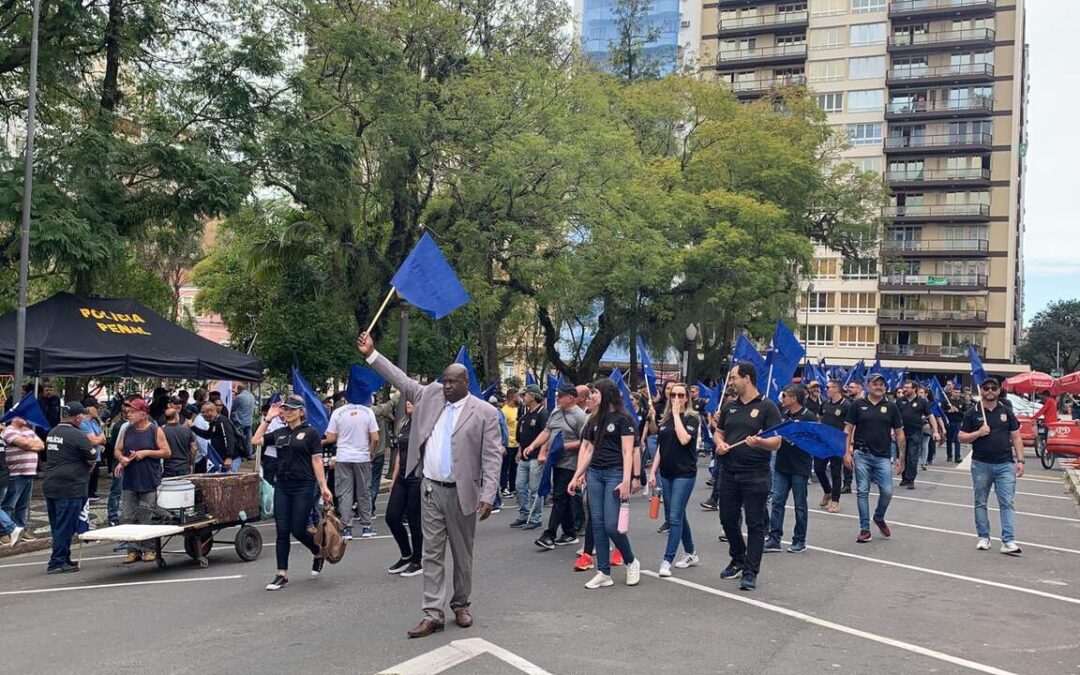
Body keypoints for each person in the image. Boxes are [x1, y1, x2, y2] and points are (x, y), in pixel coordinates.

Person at [359, 332, 503, 639]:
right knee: (431, 554)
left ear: (465, 383)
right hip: (431, 489)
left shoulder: (485, 413)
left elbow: (492, 457)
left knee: (462, 555)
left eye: (452, 382)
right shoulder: (429, 395)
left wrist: (489, 495)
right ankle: (432, 613)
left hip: (463, 492)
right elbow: (399, 378)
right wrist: (372, 353)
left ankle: (461, 604)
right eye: (444, 381)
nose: (446, 386)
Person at [714, 362, 783, 591]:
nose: (731, 382)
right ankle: (738, 557)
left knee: (755, 524)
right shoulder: (730, 406)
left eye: (734, 377)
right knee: (727, 518)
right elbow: (719, 432)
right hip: (729, 471)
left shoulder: (767, 407)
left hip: (755, 474)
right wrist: (720, 443)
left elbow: (777, 442)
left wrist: (761, 442)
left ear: (747, 378)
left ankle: (751, 571)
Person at [253, 396, 333, 591]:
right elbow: (255, 440)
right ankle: (282, 574)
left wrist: (323, 487)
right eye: (285, 409)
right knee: (282, 530)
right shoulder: (279, 433)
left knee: (298, 529)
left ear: (301, 412)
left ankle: (317, 551)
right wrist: (268, 419)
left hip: (304, 485)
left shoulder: (311, 433)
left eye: (292, 409)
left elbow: (316, 461)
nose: (287, 412)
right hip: (283, 485)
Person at [568, 378, 641, 590]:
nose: (592, 396)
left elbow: (628, 451)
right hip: (595, 474)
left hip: (615, 474)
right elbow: (589, 449)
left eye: (596, 393)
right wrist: (577, 475)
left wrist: (627, 480)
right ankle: (603, 572)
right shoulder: (593, 420)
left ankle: (631, 561)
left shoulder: (623, 419)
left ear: (607, 394)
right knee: (597, 524)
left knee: (611, 524)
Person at [959, 377, 1025, 555]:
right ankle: (983, 537)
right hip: (981, 464)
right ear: (981, 390)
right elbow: (961, 437)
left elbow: (1016, 436)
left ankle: (1008, 540)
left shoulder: (1006, 411)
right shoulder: (972, 412)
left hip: (1005, 464)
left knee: (1007, 502)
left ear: (998, 390)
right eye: (986, 388)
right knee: (980, 501)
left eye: (993, 388)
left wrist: (1020, 461)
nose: (989, 391)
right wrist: (978, 433)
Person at [646, 382, 700, 577]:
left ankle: (667, 560)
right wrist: (653, 471)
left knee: (674, 517)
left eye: (681, 395)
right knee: (677, 514)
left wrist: (677, 415)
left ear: (687, 398)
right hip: (667, 473)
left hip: (684, 473)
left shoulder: (692, 418)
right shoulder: (666, 419)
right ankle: (691, 552)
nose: (676, 398)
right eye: (673, 395)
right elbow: (661, 447)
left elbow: (684, 439)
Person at [844, 373, 905, 543]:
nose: (879, 387)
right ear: (868, 386)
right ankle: (865, 529)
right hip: (861, 454)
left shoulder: (891, 407)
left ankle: (879, 516)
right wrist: (846, 453)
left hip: (883, 456)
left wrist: (901, 457)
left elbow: (899, 433)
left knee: (887, 492)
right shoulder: (857, 405)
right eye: (875, 384)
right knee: (862, 491)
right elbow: (848, 430)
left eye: (881, 384)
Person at [114, 397, 171, 563]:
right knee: (127, 516)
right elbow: (118, 450)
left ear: (143, 414)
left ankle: (149, 548)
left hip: (148, 479)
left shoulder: (155, 430)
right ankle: (133, 549)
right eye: (127, 412)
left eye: (133, 412)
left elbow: (166, 452)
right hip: (130, 480)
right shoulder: (127, 430)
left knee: (146, 515)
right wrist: (121, 459)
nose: (129, 415)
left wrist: (146, 453)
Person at [533, 384, 588, 551]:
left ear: (570, 398)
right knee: (563, 497)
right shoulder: (556, 412)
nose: (557, 399)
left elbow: (586, 442)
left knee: (559, 497)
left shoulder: (580, 417)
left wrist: (564, 446)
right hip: (555, 461)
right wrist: (534, 446)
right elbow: (547, 432)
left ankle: (549, 535)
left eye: (560, 396)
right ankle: (570, 532)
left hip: (571, 463)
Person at [43, 403, 96, 573]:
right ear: (78, 417)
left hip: (52, 484)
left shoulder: (53, 432)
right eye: (82, 416)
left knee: (57, 526)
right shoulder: (76, 435)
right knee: (66, 526)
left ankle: (63, 557)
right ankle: (57, 561)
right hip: (70, 486)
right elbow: (92, 455)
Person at [765, 385, 816, 554]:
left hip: (800, 466)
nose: (782, 398)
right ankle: (774, 538)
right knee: (777, 501)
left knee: (800, 504)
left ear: (794, 399)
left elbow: (814, 439)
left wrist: (797, 437)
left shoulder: (809, 416)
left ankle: (799, 540)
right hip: (782, 464)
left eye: (785, 396)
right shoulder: (783, 414)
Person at [324, 398, 380, 539]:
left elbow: (330, 437)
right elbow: (375, 437)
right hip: (362, 457)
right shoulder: (368, 412)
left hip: (343, 457)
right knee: (364, 491)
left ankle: (346, 528)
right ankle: (366, 526)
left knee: (345, 493)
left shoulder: (338, 412)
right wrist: (371, 452)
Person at [386, 400, 423, 577]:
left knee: (415, 521)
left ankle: (417, 560)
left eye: (413, 400)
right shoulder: (403, 423)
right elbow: (400, 454)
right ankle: (406, 554)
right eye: (407, 399)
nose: (408, 402)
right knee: (392, 517)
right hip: (402, 476)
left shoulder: (425, 424)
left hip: (417, 477)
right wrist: (394, 478)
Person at [510, 385, 548, 530]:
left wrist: (542, 452)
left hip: (536, 457)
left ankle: (535, 517)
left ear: (532, 396)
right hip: (524, 457)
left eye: (525, 395)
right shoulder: (525, 415)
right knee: (520, 486)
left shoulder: (543, 414)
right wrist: (520, 451)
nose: (523, 397)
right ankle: (523, 514)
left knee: (535, 489)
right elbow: (521, 437)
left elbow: (547, 434)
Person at [1, 416, 45, 540]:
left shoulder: (28, 431)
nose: (26, 419)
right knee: (9, 504)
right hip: (15, 473)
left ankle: (21, 529)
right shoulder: (8, 431)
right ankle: (6, 532)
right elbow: (25, 443)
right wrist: (30, 445)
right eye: (22, 416)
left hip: (29, 472)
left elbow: (41, 445)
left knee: (23, 504)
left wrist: (29, 445)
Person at [897, 379, 939, 489]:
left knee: (912, 455)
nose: (904, 389)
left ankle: (911, 479)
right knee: (903, 455)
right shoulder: (900, 401)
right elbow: (893, 416)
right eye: (904, 387)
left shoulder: (922, 401)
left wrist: (935, 431)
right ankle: (904, 477)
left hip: (915, 432)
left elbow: (931, 416)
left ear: (914, 389)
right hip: (901, 432)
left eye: (907, 388)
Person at [815, 380, 849, 513]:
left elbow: (850, 425)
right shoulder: (825, 403)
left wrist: (848, 445)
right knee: (818, 469)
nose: (827, 389)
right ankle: (827, 491)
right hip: (823, 441)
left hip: (837, 442)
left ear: (837, 389)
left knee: (835, 472)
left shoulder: (846, 405)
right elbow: (819, 417)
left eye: (829, 387)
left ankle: (835, 500)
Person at [191, 400, 238, 472]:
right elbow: (207, 435)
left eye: (203, 412)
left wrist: (229, 457)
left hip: (229, 459)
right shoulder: (213, 422)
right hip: (220, 457)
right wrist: (193, 427)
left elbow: (229, 438)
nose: (202, 415)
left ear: (210, 411)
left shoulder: (222, 421)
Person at [78, 402, 106, 502]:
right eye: (96, 408)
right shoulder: (83, 423)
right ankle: (87, 494)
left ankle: (91, 492)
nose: (98, 410)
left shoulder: (94, 422)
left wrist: (99, 439)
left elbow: (103, 438)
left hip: (96, 454)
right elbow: (94, 440)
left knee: (94, 476)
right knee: (88, 476)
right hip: (88, 456)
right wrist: (99, 439)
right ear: (89, 409)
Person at [162, 397, 196, 478]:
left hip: (168, 467)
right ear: (177, 417)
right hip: (184, 467)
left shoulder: (161, 431)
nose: (179, 405)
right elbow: (194, 448)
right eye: (176, 403)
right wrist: (191, 464)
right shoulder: (187, 430)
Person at [500, 389, 522, 499]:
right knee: (505, 467)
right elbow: (501, 428)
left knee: (514, 467)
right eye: (518, 396)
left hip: (516, 444)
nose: (519, 399)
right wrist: (502, 444)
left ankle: (513, 487)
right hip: (508, 444)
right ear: (513, 397)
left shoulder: (517, 409)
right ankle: (504, 488)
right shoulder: (504, 411)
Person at [944, 381, 968, 463]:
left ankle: (957, 457)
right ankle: (949, 455)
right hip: (949, 422)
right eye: (956, 392)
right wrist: (948, 411)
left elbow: (966, 412)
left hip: (958, 422)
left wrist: (958, 411)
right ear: (952, 392)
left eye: (959, 392)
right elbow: (942, 411)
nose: (957, 394)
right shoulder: (947, 401)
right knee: (949, 439)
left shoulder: (962, 402)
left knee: (957, 440)